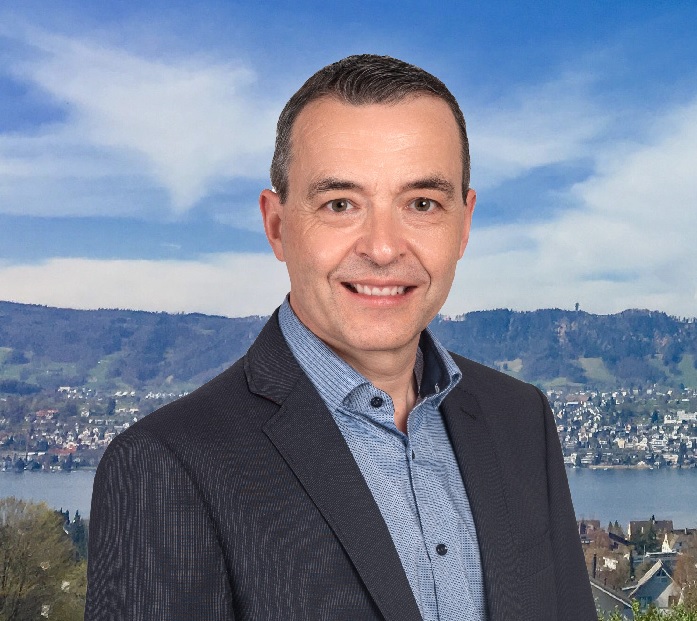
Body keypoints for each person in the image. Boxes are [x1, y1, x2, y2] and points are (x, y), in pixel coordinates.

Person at [85, 54, 595, 620]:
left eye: (421, 203)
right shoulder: (164, 467)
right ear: (277, 225)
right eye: (341, 204)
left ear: (464, 224)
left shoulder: (521, 419)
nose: (383, 247)